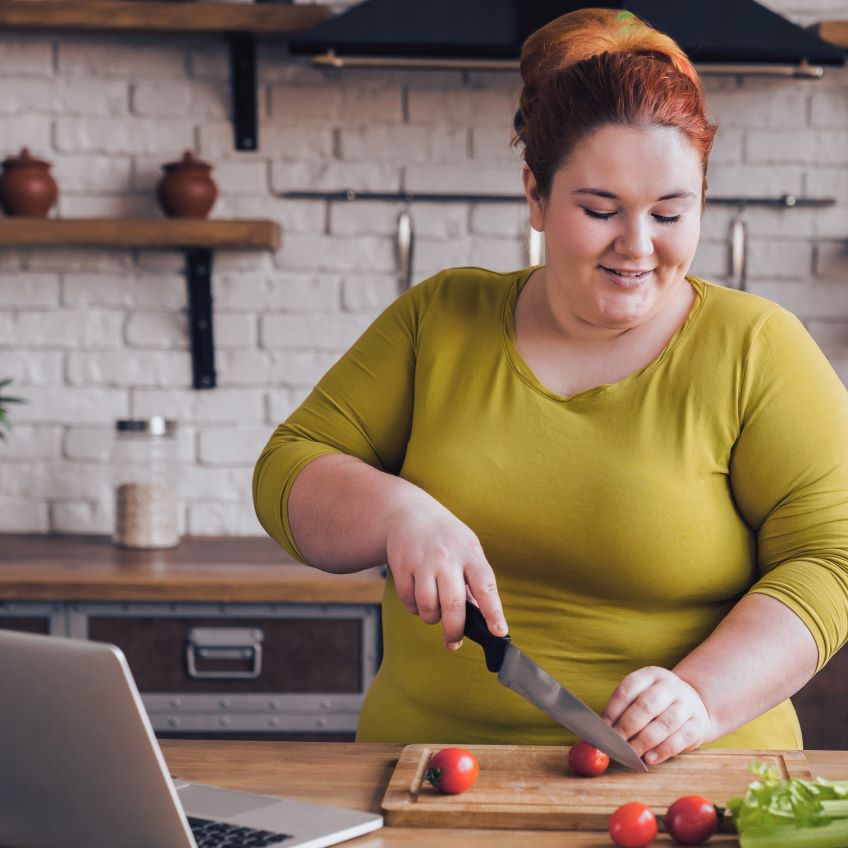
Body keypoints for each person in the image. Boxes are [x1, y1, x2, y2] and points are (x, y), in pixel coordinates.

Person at [254, 9, 848, 765]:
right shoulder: (441, 319)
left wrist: (701, 695)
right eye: (600, 210)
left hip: (691, 784)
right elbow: (287, 467)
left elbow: (833, 561)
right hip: (422, 776)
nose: (637, 246)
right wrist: (395, 511)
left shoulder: (758, 350)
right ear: (535, 195)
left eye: (671, 212)